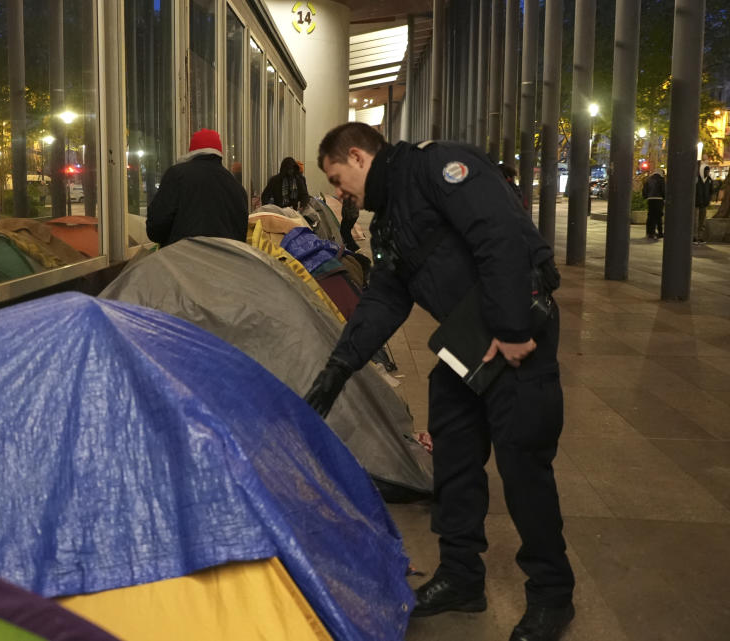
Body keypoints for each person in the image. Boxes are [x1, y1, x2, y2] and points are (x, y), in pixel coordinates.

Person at [303, 123, 573, 641]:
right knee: (452, 451)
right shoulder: (389, 222)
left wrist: (513, 326)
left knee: (524, 467)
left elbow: (499, 233)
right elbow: (384, 299)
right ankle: (461, 577)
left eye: (338, 179)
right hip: (469, 341)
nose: (339, 192)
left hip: (515, 332)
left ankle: (552, 595)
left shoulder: (435, 166)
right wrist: (338, 371)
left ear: (357, 157)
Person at [146, 129, 248, 246]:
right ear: (219, 153)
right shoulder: (237, 188)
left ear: (192, 152)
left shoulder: (177, 175)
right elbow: (241, 237)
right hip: (226, 263)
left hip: (179, 260)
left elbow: (155, 228)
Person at [642, 169, 665, 239]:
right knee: (658, 216)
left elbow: (644, 190)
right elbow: (664, 190)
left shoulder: (648, 180)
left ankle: (649, 232)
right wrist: (664, 197)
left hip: (650, 199)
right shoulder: (661, 180)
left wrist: (646, 196)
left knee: (650, 216)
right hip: (659, 199)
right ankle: (660, 232)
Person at [694, 162, 713, 245]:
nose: (707, 173)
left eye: (708, 171)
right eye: (706, 171)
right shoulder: (697, 179)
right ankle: (694, 237)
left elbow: (711, 191)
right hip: (696, 204)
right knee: (695, 221)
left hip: (704, 204)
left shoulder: (709, 180)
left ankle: (700, 237)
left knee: (702, 222)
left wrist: (708, 200)